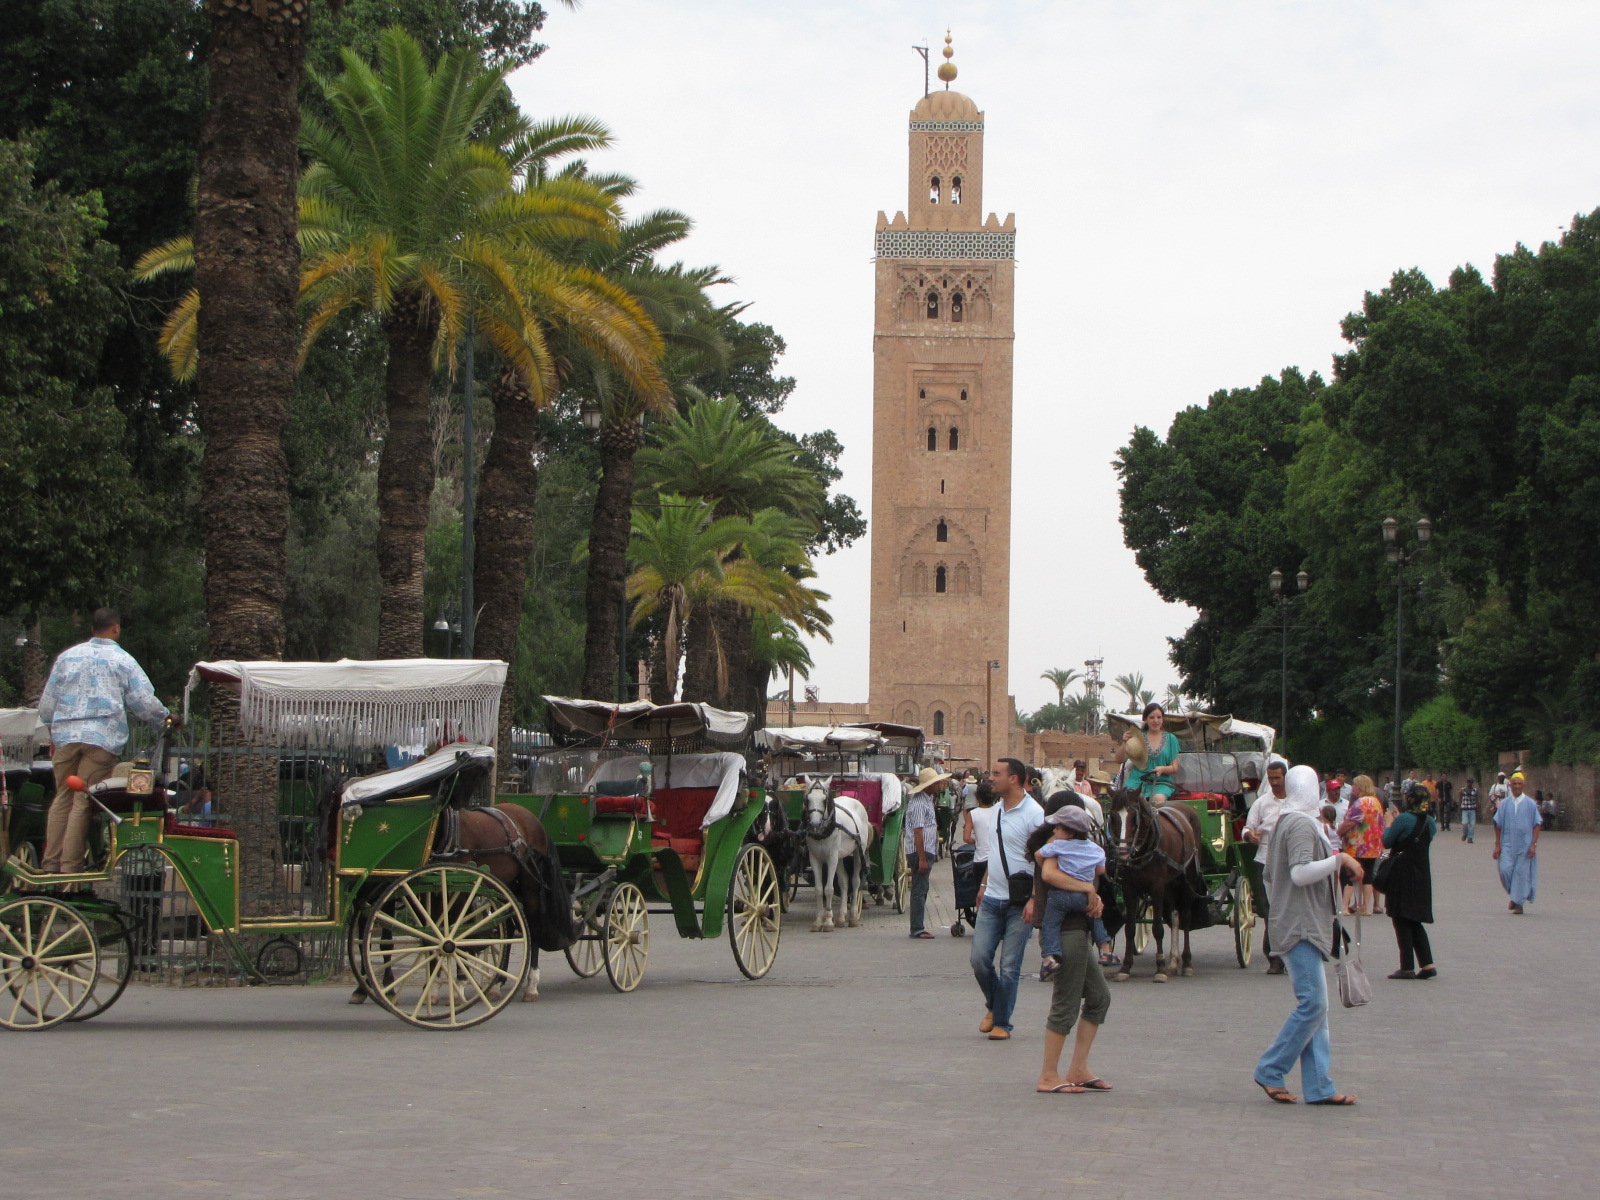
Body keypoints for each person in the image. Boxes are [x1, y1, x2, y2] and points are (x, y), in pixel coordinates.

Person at [1253, 764, 1361, 1106]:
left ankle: (1319, 1086)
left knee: (1317, 1007)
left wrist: (1281, 910)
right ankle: (1272, 1068)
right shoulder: (1299, 823)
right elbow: (1299, 874)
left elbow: (1271, 876)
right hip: (1300, 924)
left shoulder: (1286, 820)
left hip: (1297, 921)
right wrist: (1339, 859)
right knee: (1313, 1003)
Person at [37, 607, 171, 874]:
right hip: (101, 739)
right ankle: (70, 868)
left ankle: (49, 864)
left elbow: (47, 706)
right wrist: (166, 719)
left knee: (62, 797)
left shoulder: (66, 658)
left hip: (65, 738)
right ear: (116, 628)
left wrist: (54, 732)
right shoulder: (122, 660)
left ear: (92, 629)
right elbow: (142, 702)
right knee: (83, 801)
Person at [1029, 811, 1113, 1094]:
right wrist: (1089, 888)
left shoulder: (1071, 851)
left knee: (1099, 997)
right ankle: (1048, 1075)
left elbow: (1095, 880)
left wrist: (1095, 896)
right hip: (1066, 934)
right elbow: (1050, 875)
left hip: (1080, 931)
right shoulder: (1054, 853)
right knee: (1066, 1003)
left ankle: (1078, 1068)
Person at [968, 757, 1044, 1041]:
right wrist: (984, 884)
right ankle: (995, 1004)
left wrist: (1035, 898)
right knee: (979, 959)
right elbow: (996, 853)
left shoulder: (1034, 814)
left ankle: (1002, 1022)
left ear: (1013, 778)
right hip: (992, 898)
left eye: (996, 774)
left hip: (1020, 901)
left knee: (1010, 966)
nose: (991, 778)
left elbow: (1043, 861)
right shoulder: (997, 810)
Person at [1032, 806, 1106, 980]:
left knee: (1050, 923)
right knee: (1094, 916)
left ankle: (1050, 957)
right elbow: (1101, 870)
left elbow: (1038, 855)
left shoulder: (1058, 846)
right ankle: (1105, 949)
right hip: (1084, 897)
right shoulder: (1095, 849)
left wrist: (1049, 863)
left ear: (1070, 833)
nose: (1054, 830)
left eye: (1058, 827)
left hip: (1061, 896)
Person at [1382, 787, 1437, 979]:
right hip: (1421, 873)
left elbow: (1387, 841)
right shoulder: (1430, 822)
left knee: (1400, 916)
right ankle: (1428, 964)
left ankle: (1407, 967)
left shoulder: (1404, 819)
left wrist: (1390, 823)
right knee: (1414, 919)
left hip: (1402, 873)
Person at [1243, 756, 1290, 974]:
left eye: (1278, 778)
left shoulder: (1296, 801)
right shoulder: (1262, 803)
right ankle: (1273, 956)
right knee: (1269, 910)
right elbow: (1247, 828)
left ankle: (1289, 954)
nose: (1274, 782)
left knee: (1288, 908)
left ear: (1286, 777)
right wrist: (1250, 835)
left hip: (1290, 861)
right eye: (1271, 778)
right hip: (1265, 860)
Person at [903, 766, 948, 938]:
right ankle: (917, 928)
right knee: (919, 889)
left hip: (927, 850)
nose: (939, 785)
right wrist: (922, 858)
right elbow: (918, 831)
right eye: (936, 783)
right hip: (919, 851)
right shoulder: (919, 803)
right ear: (929, 785)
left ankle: (918, 926)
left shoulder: (927, 799)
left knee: (922, 888)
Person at [1493, 772, 1540, 915]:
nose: (1517, 787)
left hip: (1524, 845)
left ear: (1523, 785)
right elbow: (1498, 824)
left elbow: (1537, 824)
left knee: (1520, 873)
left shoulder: (1530, 804)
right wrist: (1497, 845)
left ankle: (1518, 903)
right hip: (1507, 843)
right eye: (1514, 784)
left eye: (1519, 784)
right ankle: (1514, 894)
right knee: (1505, 869)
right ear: (1510, 785)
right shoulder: (1505, 804)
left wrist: (1533, 844)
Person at [1336, 775, 1385, 916]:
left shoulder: (1361, 802)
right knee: (1368, 876)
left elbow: (1351, 822)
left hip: (1357, 846)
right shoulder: (1376, 802)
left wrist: (1338, 833)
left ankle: (1345, 906)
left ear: (1361, 787)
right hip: (1373, 845)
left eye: (1355, 785)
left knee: (1350, 876)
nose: (1353, 788)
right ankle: (1365, 907)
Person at [1122, 702, 1180, 802]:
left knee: (1158, 799)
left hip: (1161, 782)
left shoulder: (1171, 739)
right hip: (1137, 781)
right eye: (1152, 717)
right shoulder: (1137, 738)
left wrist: (1163, 769)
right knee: (1127, 799)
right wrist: (1124, 742)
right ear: (1145, 719)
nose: (1156, 721)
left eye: (1159, 717)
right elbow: (1118, 759)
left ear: (1162, 719)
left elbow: (1175, 767)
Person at [1458, 777, 1479, 843]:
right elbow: (1460, 798)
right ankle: (1465, 834)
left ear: (1472, 783)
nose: (1469, 783)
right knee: (1465, 823)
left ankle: (1470, 837)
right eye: (1468, 782)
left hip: (1472, 808)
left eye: (1470, 782)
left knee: (1472, 824)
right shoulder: (1462, 790)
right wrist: (1460, 805)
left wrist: (1477, 805)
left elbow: (1476, 798)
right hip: (1465, 808)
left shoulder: (1475, 790)